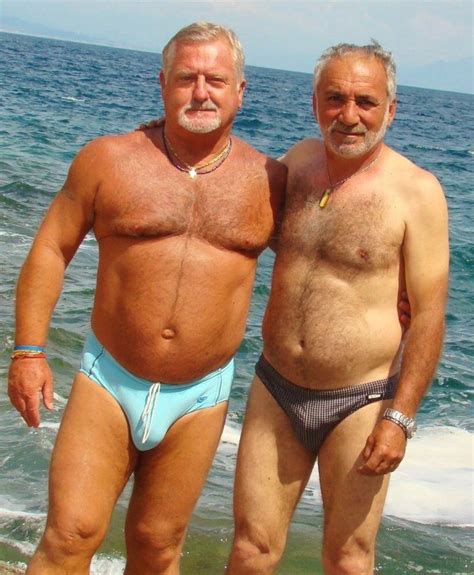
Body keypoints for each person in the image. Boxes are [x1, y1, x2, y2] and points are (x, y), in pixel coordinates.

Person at [7, 22, 287, 574]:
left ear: (240, 91)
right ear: (162, 83)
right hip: (108, 379)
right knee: (69, 537)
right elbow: (49, 251)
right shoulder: (108, 160)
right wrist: (28, 352)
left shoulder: (271, 180)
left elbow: (322, 261)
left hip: (201, 396)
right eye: (186, 78)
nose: (200, 92)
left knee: (157, 548)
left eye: (215, 79)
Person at [228, 42, 449, 574]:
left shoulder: (417, 192)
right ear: (315, 103)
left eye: (366, 102)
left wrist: (400, 417)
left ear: (390, 111)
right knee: (251, 551)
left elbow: (429, 315)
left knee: (349, 558)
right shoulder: (297, 163)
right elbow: (239, 228)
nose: (349, 116)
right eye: (335, 98)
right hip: (275, 388)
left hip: (361, 399)